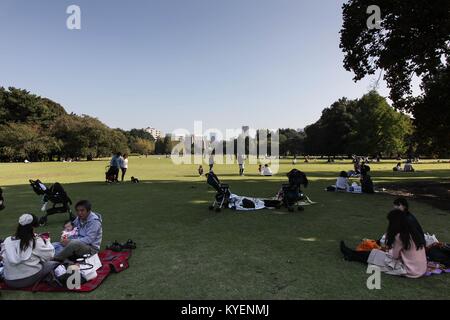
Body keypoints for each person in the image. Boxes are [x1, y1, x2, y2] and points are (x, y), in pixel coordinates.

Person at [340, 209, 427, 278]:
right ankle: (351, 255)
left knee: (375, 255)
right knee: (377, 254)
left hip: (409, 271)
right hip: (421, 269)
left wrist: (384, 250)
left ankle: (351, 254)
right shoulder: (413, 233)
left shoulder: (400, 236)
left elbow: (394, 256)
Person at [0, 214, 58, 288]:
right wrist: (47, 241)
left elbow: (3, 258)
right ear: (33, 227)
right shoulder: (35, 241)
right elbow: (50, 255)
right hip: (28, 279)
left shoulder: (7, 240)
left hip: (9, 281)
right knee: (52, 264)